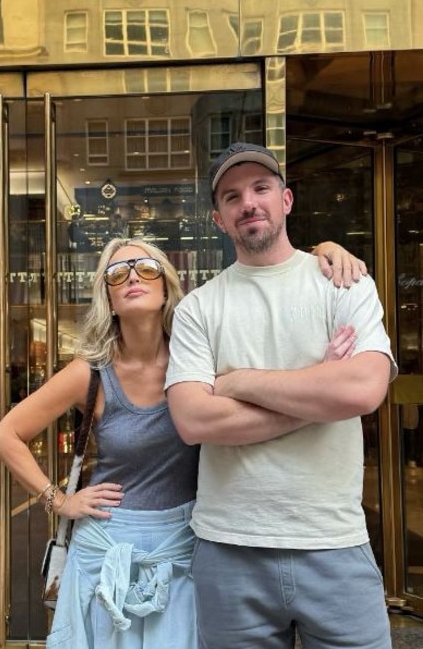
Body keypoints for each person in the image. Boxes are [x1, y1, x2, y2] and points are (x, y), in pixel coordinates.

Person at [0, 231, 364, 649]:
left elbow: (263, 273)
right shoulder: (90, 373)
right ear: (107, 298)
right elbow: (6, 435)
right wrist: (58, 501)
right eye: (118, 273)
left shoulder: (200, 355)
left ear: (167, 287)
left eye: (146, 268)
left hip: (184, 541)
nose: (133, 277)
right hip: (107, 546)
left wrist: (323, 251)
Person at [165, 142, 398, 649]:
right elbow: (194, 421)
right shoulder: (197, 309)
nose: (248, 202)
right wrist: (318, 393)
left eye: (260, 188)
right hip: (230, 547)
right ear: (219, 219)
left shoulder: (345, 283)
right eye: (232, 196)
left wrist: (239, 382)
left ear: (286, 200)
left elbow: (362, 388)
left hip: (333, 542)